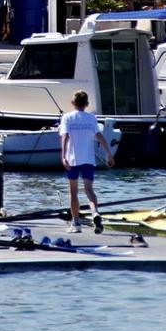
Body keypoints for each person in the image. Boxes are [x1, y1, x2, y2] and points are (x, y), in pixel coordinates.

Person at [60, 90, 114, 234]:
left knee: (73, 192)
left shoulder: (67, 118)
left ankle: (76, 223)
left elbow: (64, 137)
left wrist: (63, 156)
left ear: (73, 103)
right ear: (87, 104)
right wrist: (109, 154)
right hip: (88, 159)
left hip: (73, 160)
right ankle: (95, 212)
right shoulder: (91, 118)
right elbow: (99, 136)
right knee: (89, 190)